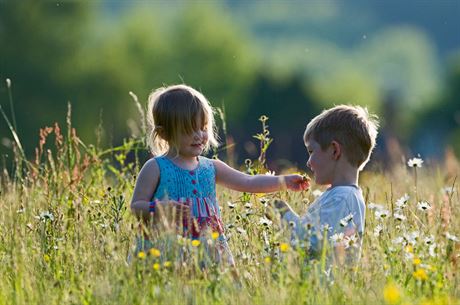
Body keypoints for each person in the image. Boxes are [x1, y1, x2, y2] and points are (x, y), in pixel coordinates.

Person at [130, 84, 309, 267]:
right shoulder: (156, 167)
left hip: (209, 251)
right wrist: (160, 209)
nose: (199, 135)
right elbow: (136, 206)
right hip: (166, 252)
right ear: (164, 133)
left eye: (203, 127)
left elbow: (249, 182)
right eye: (189, 129)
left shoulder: (211, 167)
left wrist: (283, 181)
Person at [273, 105, 379, 266]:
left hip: (322, 286)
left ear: (334, 151)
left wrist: (283, 212)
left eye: (311, 152)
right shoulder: (341, 195)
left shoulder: (342, 198)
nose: (308, 162)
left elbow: (309, 241)